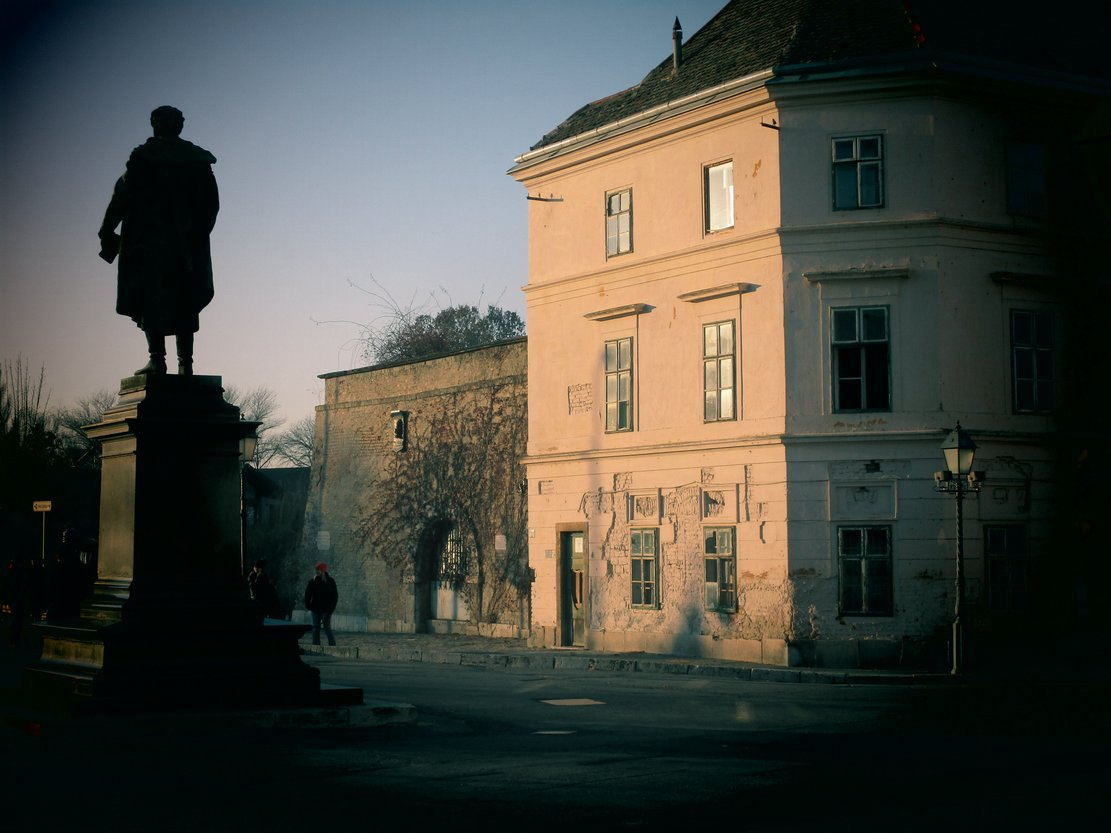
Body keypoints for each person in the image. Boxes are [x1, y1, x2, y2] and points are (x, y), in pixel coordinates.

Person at [98, 105, 219, 376]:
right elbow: (211, 205)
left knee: (153, 299)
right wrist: (195, 236)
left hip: (149, 245)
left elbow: (122, 197)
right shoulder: (197, 160)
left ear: (155, 125)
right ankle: (185, 363)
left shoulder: (144, 158)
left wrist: (107, 230)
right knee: (184, 300)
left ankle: (158, 359)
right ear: (180, 126)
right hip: (186, 247)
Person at [304, 562, 338, 646]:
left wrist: (331, 609)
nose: (316, 571)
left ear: (322, 570)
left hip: (326, 609)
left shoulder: (330, 581)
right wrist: (308, 605)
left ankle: (332, 644)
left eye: (318, 570)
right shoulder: (313, 581)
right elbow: (308, 594)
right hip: (315, 608)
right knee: (316, 627)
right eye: (316, 569)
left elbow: (335, 596)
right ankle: (316, 645)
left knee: (326, 627)